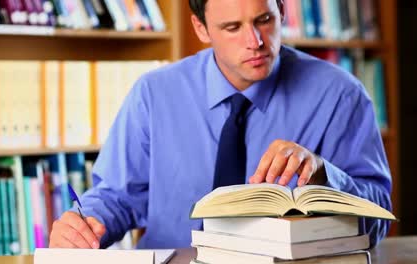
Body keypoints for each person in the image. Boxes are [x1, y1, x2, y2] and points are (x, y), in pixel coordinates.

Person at [49, 0, 392, 249]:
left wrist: (324, 178)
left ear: (283, 10)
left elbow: (379, 220)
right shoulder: (154, 93)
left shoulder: (340, 96)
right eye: (232, 28)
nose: (255, 42)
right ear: (201, 28)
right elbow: (117, 197)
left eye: (265, 20)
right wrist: (83, 226)